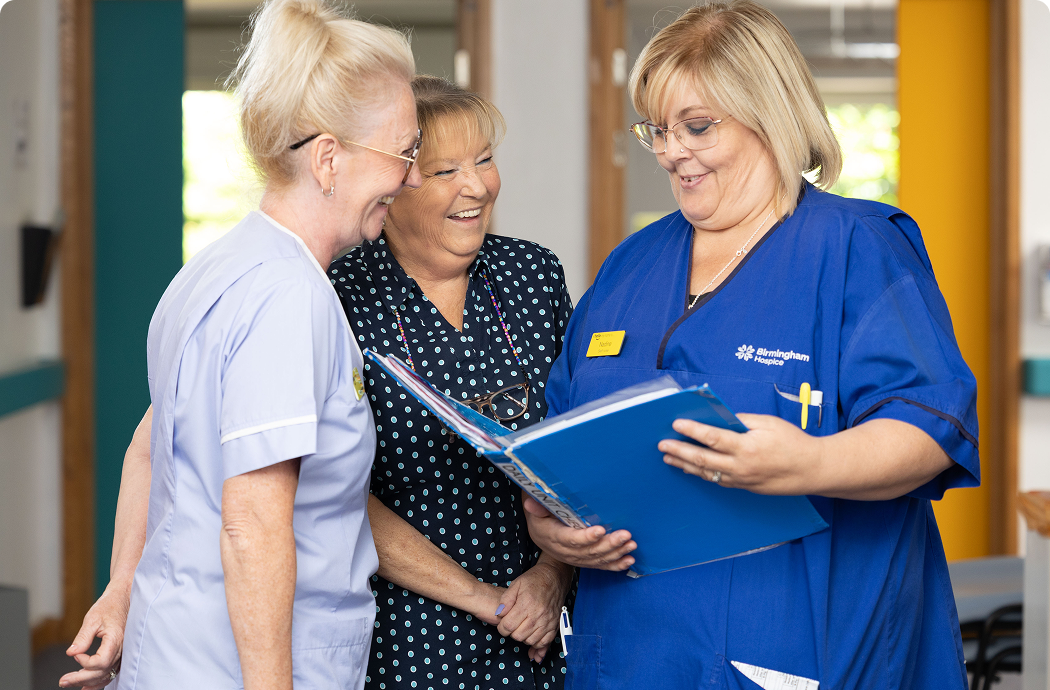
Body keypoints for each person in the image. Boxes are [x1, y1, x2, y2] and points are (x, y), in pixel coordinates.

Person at [524, 3, 978, 689]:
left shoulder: (856, 247)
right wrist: (549, 532)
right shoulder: (630, 265)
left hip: (799, 651)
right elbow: (560, 440)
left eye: (698, 126)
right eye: (659, 130)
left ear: (772, 116)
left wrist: (811, 463)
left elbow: (930, 427)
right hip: (627, 655)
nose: (673, 151)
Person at [58, 0, 422, 688]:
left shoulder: (215, 267)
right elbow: (252, 528)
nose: (409, 177)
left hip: (171, 650)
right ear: (327, 159)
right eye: (403, 153)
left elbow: (150, 444)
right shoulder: (290, 298)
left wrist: (120, 588)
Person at [328, 75, 574, 690]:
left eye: (485, 160)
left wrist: (550, 576)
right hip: (407, 635)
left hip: (542, 623)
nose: (477, 186)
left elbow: (577, 442)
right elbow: (329, 491)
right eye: (444, 172)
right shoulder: (340, 292)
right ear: (394, 184)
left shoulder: (532, 274)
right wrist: (485, 600)